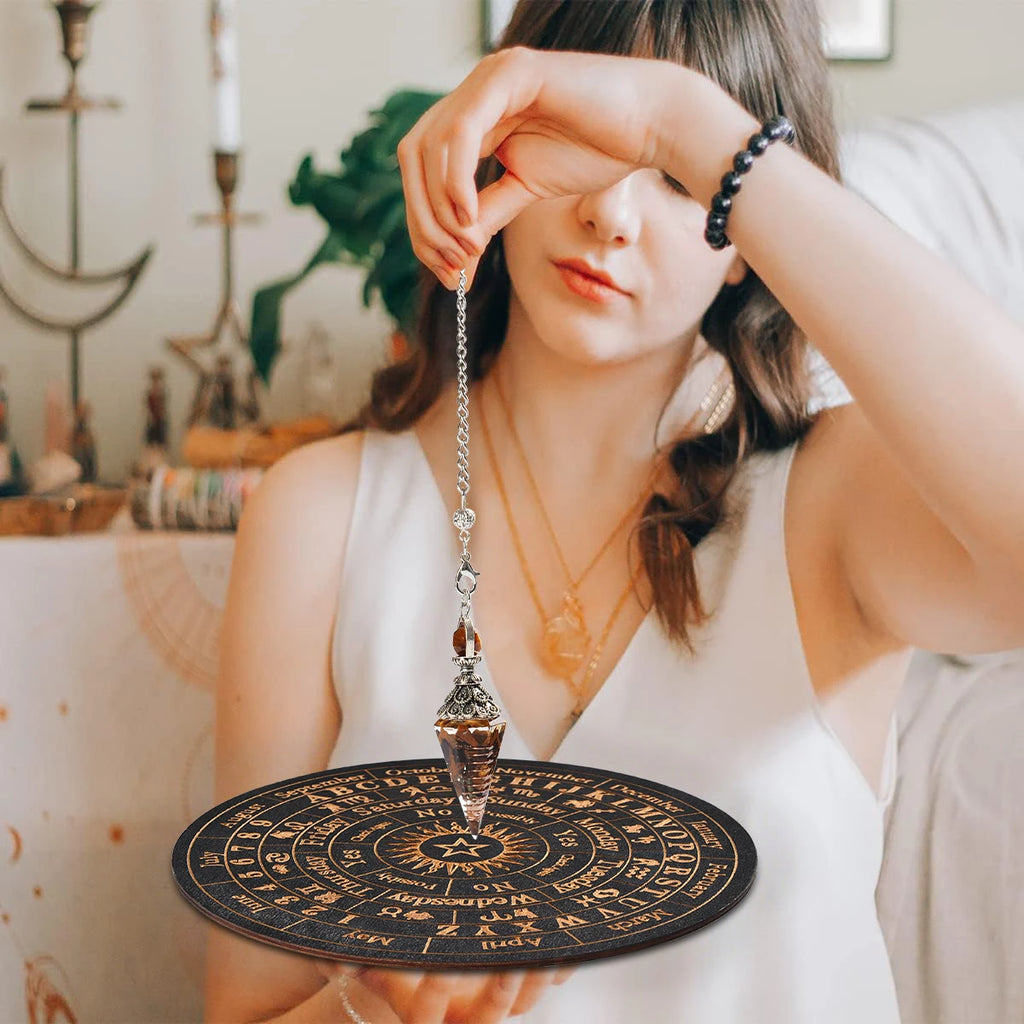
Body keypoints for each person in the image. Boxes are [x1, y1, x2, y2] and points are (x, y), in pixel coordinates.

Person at [203, 2, 1024, 1022]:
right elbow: (245, 1008)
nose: (612, 214)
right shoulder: (319, 517)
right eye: (589, 147)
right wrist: (374, 1002)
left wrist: (689, 120)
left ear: (744, 245)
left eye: (681, 181)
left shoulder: (831, 507)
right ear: (500, 135)